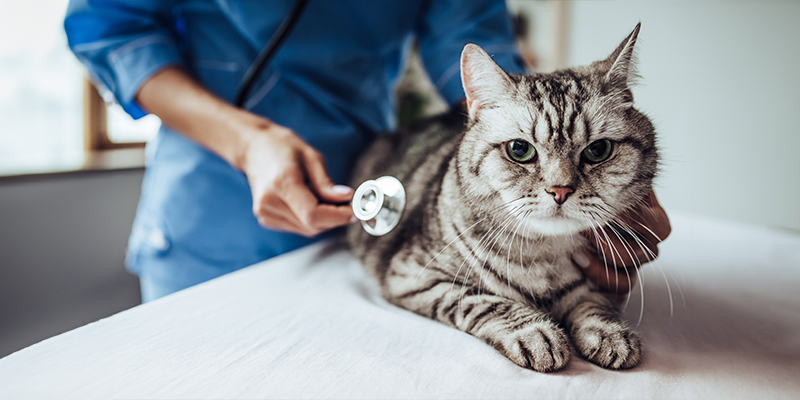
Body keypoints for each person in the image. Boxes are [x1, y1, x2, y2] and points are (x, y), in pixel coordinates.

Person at [64, 0, 670, 302]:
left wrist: (602, 173)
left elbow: (480, 58)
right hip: (212, 196)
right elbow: (111, 28)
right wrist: (247, 143)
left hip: (373, 196)